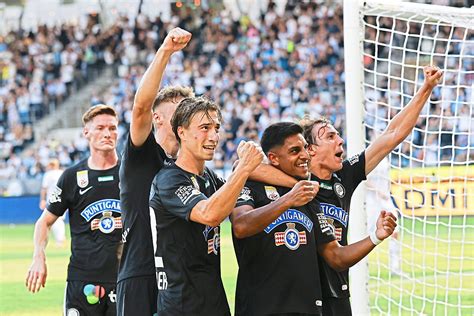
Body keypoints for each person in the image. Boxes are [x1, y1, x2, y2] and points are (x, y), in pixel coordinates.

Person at [302, 65, 443, 315]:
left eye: (338, 135)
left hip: (338, 294)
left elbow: (393, 134)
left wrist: (426, 89)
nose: (340, 140)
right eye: (330, 136)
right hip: (303, 299)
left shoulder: (343, 176)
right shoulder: (294, 182)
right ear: (310, 149)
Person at [231, 122, 397, 315]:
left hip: (309, 309)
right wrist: (287, 200)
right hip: (261, 309)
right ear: (273, 158)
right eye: (295, 151)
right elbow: (241, 225)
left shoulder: (308, 198)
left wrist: (375, 237)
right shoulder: (249, 186)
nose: (304, 155)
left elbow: (335, 256)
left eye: (304, 148)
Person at [149, 96, 264, 315]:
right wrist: (243, 169)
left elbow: (240, 189)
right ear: (181, 132)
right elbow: (210, 214)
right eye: (204, 128)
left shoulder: (209, 177)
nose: (213, 136)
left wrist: (298, 183)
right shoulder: (169, 179)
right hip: (181, 306)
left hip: (213, 301)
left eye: (216, 128)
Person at [116, 27, 193, 316]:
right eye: (179, 109)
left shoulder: (186, 167)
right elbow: (140, 108)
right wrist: (165, 51)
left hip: (177, 280)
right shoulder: (143, 154)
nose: (187, 114)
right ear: (158, 118)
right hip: (140, 274)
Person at [26, 104, 122, 316]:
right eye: (100, 128)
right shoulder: (72, 177)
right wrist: (38, 256)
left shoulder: (130, 174)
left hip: (125, 279)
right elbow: (44, 222)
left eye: (112, 128)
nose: (107, 133)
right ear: (86, 133)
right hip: (82, 281)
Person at [365, 156, 403, 276]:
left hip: (385, 200)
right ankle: (358, 269)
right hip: (371, 201)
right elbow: (364, 180)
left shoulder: (386, 158)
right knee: (365, 235)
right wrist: (378, 190)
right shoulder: (369, 155)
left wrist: (386, 191)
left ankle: (395, 267)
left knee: (395, 231)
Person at [39, 158, 66, 247]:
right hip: (64, 199)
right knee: (59, 220)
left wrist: (42, 200)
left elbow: (44, 188)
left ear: (51, 165)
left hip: (52, 199)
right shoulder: (63, 173)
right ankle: (60, 237)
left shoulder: (48, 174)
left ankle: (60, 239)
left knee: (53, 220)